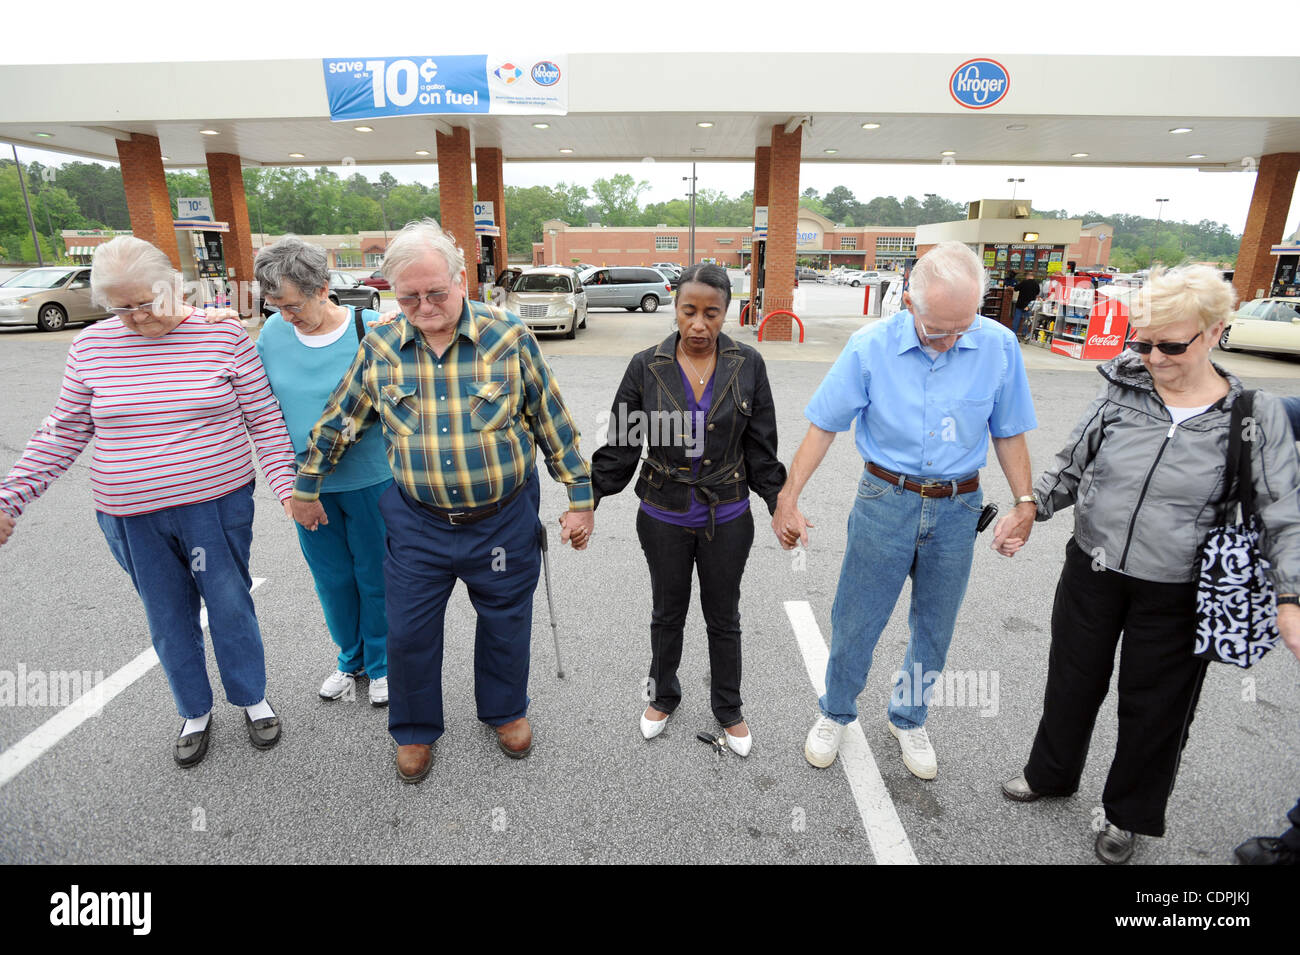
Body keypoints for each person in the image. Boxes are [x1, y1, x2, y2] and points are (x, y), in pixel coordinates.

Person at [1001, 265, 1300, 864]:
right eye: (1143, 342)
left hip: (1179, 589)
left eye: (1170, 344)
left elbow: (1283, 513)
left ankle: (1126, 814)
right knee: (1072, 680)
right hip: (1093, 568)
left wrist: (1291, 597)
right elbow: (1072, 461)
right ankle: (1051, 773)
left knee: (1155, 707)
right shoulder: (1121, 389)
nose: (1154, 358)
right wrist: (1032, 506)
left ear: (1215, 332)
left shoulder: (1253, 414)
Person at [289, 218, 593, 785]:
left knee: (505, 621)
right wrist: (306, 485)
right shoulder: (379, 345)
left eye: (436, 291)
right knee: (407, 630)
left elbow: (551, 418)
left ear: (461, 279)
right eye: (409, 296)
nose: (424, 305)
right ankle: (414, 730)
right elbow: (339, 422)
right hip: (418, 523)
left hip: (501, 520)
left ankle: (504, 711)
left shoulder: (508, 336)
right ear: (391, 293)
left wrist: (580, 497)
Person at [0, 236, 297, 766]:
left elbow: (265, 421)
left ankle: (252, 698)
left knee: (230, 603)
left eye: (148, 302)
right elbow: (61, 432)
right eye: (122, 307)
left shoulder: (224, 335)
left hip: (216, 504)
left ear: (175, 286)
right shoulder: (90, 347)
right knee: (166, 614)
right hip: (130, 514)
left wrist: (287, 488)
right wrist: (10, 499)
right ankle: (194, 710)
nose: (137, 316)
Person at [774, 241, 1039, 777]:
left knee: (934, 625)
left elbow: (1008, 432)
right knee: (856, 618)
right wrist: (788, 497)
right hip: (884, 500)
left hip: (958, 505)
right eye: (939, 328)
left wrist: (1025, 502)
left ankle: (909, 717)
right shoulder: (869, 347)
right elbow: (825, 425)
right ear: (909, 304)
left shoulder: (999, 346)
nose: (952, 341)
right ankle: (836, 711)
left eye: (964, 326)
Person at [590, 263, 786, 756]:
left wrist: (780, 504)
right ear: (675, 308)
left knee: (724, 615)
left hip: (727, 512)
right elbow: (620, 445)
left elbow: (762, 450)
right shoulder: (646, 365)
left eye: (711, 313)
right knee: (667, 611)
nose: (699, 325)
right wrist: (585, 500)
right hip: (662, 512)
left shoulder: (748, 365)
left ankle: (729, 708)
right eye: (689, 311)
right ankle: (663, 695)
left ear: (726, 313)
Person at [251, 237, 393, 707]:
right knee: (332, 578)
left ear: (323, 287)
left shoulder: (371, 326)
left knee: (375, 575)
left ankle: (381, 665)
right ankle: (348, 658)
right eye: (275, 305)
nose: (285, 316)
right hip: (307, 487)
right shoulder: (272, 334)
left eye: (292, 305)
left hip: (373, 480)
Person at [1013, 273, 1041, 338]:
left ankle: (1014, 333)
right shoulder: (1036, 284)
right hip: (1029, 305)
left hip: (1020, 304)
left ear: (1027, 276)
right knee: (1027, 320)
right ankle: (1024, 333)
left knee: (1017, 319)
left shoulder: (1024, 282)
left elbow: (1015, 289)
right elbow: (1037, 293)